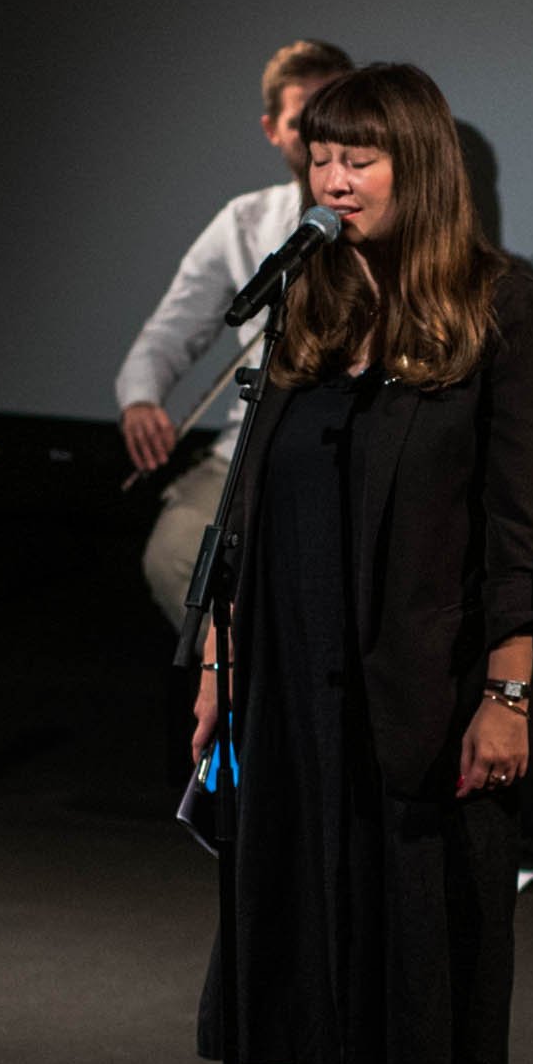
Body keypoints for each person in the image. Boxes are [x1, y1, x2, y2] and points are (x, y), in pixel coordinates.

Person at [193, 62, 533, 1064]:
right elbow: (256, 508)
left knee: (443, 967)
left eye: (359, 157)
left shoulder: (507, 309)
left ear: (420, 163)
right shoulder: (308, 293)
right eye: (320, 157)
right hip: (297, 699)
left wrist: (507, 694)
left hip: (436, 698)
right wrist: (221, 666)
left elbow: (517, 530)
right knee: (316, 959)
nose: (334, 179)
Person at [116, 37, 355, 628]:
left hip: (350, 451)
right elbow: (173, 327)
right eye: (302, 121)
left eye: (333, 115)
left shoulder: (379, 217)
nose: (319, 135)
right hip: (250, 448)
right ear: (272, 130)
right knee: (175, 557)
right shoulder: (245, 220)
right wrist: (142, 398)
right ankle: (236, 673)